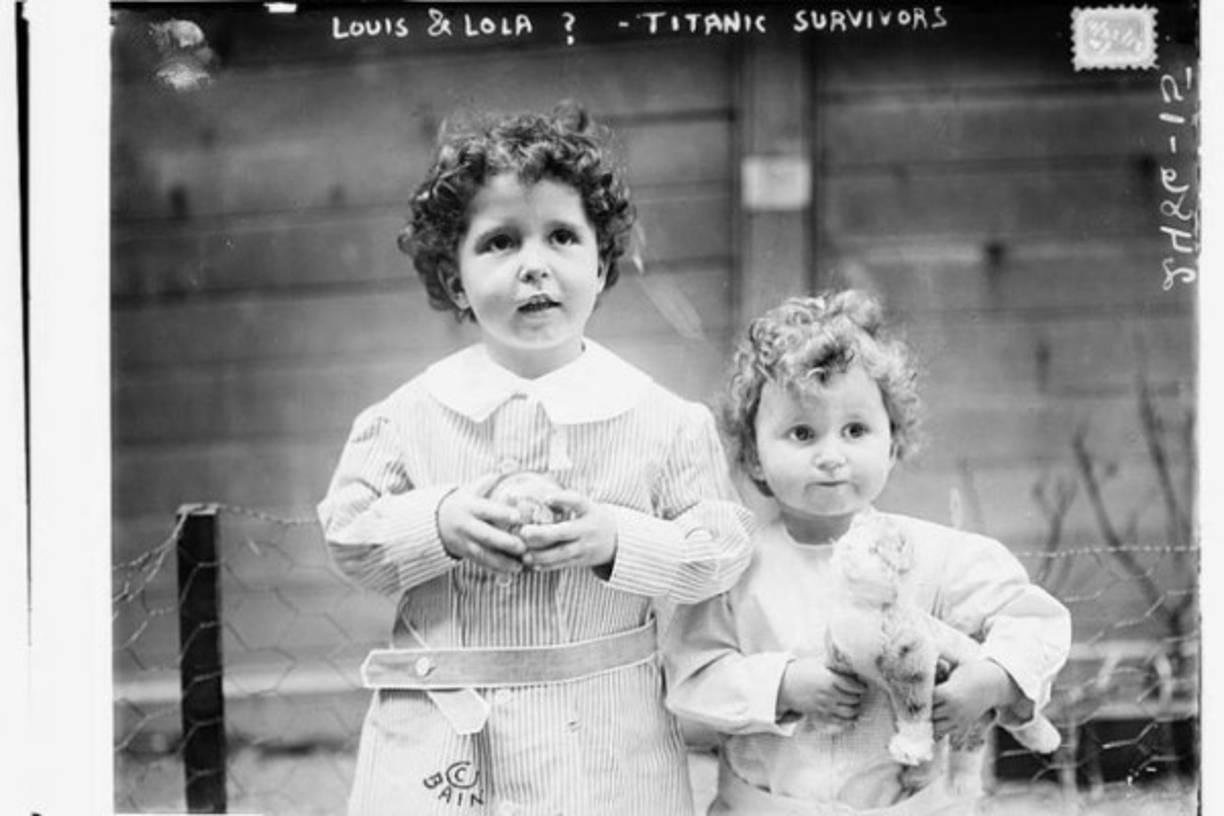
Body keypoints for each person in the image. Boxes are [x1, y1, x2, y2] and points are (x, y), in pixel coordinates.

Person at [317, 104, 754, 816]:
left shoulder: (664, 421)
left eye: (561, 236)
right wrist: (438, 522)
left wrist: (619, 539)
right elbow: (348, 530)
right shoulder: (407, 417)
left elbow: (721, 546)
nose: (534, 267)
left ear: (601, 261)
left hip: (609, 735)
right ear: (454, 280)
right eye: (498, 243)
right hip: (447, 732)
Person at [663, 291, 1071, 815]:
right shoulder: (735, 567)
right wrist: (782, 685)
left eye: (855, 430)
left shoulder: (939, 556)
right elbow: (692, 675)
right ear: (755, 457)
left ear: (893, 443)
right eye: (802, 433)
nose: (831, 456)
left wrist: (989, 679)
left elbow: (1034, 621)